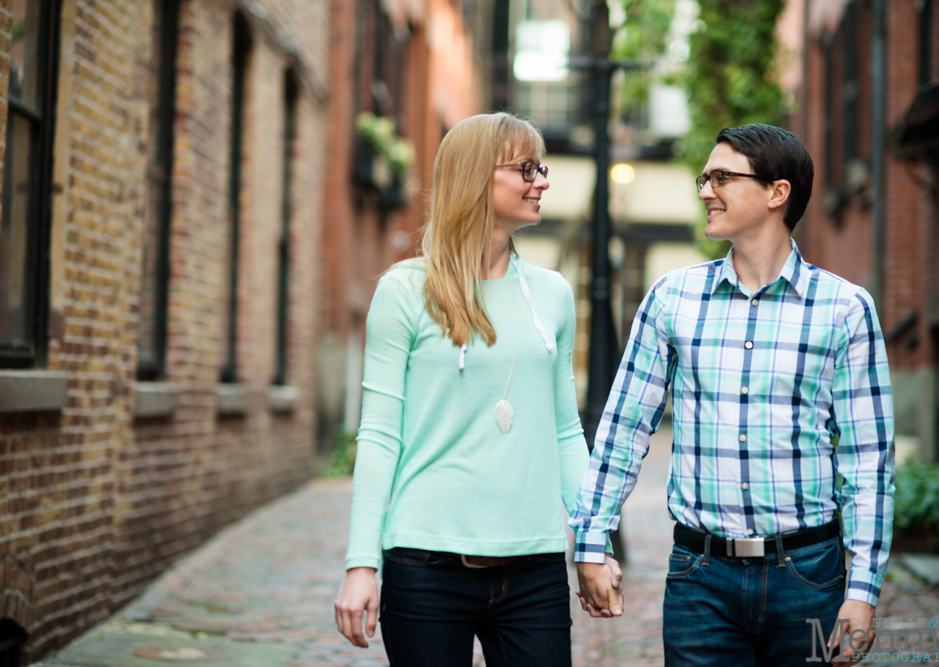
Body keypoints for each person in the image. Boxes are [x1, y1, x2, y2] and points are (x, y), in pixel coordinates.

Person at [570, 124, 895, 665]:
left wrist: (861, 593)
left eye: (721, 177)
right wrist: (591, 540)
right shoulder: (671, 298)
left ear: (777, 192)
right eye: (704, 177)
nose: (704, 190)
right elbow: (624, 426)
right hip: (700, 578)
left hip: (809, 576)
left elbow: (866, 462)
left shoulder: (845, 309)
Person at [333, 112, 620, 667]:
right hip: (424, 566)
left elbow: (565, 431)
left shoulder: (554, 295)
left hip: (533, 569)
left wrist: (593, 544)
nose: (543, 181)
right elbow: (378, 435)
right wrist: (361, 564)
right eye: (527, 168)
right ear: (475, 177)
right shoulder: (404, 291)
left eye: (542, 168)